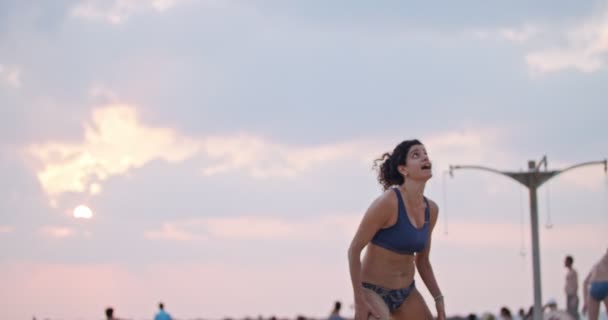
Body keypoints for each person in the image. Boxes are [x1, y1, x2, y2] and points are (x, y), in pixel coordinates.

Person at [348, 139, 445, 320]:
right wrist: (360, 300)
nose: (424, 158)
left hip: (407, 293)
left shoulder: (431, 210)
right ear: (403, 169)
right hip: (373, 291)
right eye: (416, 155)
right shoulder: (389, 202)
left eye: (425, 154)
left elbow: (422, 261)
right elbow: (353, 250)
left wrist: (438, 298)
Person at [582, 249, 608, 320]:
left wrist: (585, 302)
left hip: (594, 287)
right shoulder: (604, 261)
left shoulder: (596, 265)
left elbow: (585, 282)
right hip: (605, 285)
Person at [564, 255, 579, 319]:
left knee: (573, 313)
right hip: (569, 295)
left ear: (569, 262)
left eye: (566, 261)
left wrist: (573, 295)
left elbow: (575, 284)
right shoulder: (569, 272)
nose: (564, 262)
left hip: (573, 296)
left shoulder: (573, 272)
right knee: (569, 314)